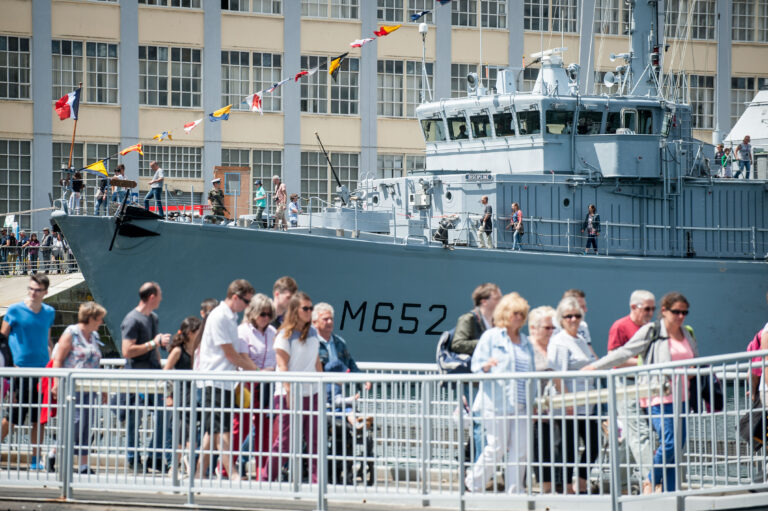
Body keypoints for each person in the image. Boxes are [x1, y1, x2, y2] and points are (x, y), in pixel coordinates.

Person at [583, 292, 698, 494]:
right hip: (658, 396)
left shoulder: (685, 332)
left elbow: (694, 358)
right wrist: (595, 366)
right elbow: (624, 352)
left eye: (684, 312)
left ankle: (671, 492)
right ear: (665, 311)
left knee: (676, 448)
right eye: (676, 312)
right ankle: (651, 479)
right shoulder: (652, 331)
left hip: (682, 397)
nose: (681, 316)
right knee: (669, 443)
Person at [464, 292, 534, 494]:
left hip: (521, 404)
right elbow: (475, 367)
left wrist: (534, 402)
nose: (519, 317)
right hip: (497, 403)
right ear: (505, 313)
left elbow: (531, 374)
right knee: (497, 447)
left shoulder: (526, 341)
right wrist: (486, 366)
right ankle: (473, 482)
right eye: (515, 313)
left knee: (520, 451)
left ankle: (515, 490)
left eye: (522, 313)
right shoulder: (491, 337)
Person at [195, 279, 260, 481]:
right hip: (214, 380)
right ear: (235, 297)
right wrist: (256, 371)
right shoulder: (221, 317)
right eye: (246, 302)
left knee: (212, 430)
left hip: (222, 380)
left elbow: (233, 354)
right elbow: (230, 354)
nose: (248, 306)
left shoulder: (229, 317)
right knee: (221, 429)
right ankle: (231, 473)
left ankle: (197, 474)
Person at [260, 292, 323, 483]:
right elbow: (283, 366)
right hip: (290, 395)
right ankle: (266, 478)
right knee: (286, 442)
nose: (310, 312)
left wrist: (323, 385)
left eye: (311, 308)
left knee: (315, 441)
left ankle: (316, 482)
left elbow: (316, 361)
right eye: (306, 308)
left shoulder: (312, 333)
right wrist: (289, 392)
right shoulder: (283, 336)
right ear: (295, 310)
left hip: (311, 392)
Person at [0, 275, 56, 470]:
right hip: (19, 372)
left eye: (37, 290)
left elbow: (48, 341)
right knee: (12, 416)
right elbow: (2, 339)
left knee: (38, 419)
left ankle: (35, 460)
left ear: (45, 292)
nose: (33, 293)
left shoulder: (49, 312)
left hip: (41, 372)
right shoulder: (15, 310)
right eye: (31, 289)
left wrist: (53, 367)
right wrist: (9, 366)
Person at [547, 296, 600, 494]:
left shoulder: (581, 340)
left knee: (594, 443)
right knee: (568, 447)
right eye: (568, 316)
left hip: (587, 403)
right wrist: (568, 401)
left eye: (577, 315)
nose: (573, 319)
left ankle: (582, 479)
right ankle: (567, 486)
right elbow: (557, 374)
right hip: (569, 404)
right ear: (561, 319)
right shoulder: (560, 341)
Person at [606, 290, 656, 489]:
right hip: (626, 385)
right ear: (633, 307)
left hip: (645, 385)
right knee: (641, 433)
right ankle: (653, 481)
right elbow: (613, 357)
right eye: (647, 308)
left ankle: (618, 483)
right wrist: (644, 362)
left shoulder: (652, 327)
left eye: (653, 308)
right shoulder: (620, 326)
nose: (651, 313)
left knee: (631, 436)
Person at [50, 301, 107, 475]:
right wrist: (56, 382)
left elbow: (96, 364)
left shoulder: (94, 337)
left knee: (85, 425)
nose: (101, 323)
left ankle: (83, 465)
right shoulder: (71, 333)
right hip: (71, 387)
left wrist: (102, 388)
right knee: (73, 423)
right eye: (99, 319)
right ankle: (53, 453)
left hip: (89, 387)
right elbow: (58, 359)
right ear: (91, 318)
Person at [120, 282, 172, 472]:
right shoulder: (132, 320)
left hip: (152, 375)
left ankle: (155, 456)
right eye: (160, 295)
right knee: (135, 418)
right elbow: (127, 351)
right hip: (136, 376)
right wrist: (153, 343)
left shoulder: (153, 318)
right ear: (152, 297)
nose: (162, 298)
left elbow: (155, 347)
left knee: (163, 414)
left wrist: (160, 371)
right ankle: (133, 458)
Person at [450, 283, 501, 462]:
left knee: (490, 424)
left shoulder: (496, 321)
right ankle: (480, 466)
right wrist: (484, 343)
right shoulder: (469, 319)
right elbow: (457, 344)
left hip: (491, 379)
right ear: (484, 301)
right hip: (473, 379)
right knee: (480, 423)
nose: (501, 301)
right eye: (497, 298)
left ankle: (476, 463)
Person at [236, 295, 277, 477]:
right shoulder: (243, 331)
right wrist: (260, 372)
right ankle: (223, 466)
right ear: (253, 313)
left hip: (268, 384)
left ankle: (264, 470)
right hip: (247, 383)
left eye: (269, 314)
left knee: (265, 428)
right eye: (262, 314)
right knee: (241, 426)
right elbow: (243, 358)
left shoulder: (272, 332)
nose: (266, 318)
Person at [163, 315, 202, 473]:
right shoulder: (178, 351)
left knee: (190, 432)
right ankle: (178, 465)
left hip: (195, 395)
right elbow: (165, 374)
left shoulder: (198, 350)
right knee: (182, 433)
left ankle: (183, 464)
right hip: (182, 395)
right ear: (191, 332)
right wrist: (167, 396)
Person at [527, 306, 559, 493]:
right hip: (531, 408)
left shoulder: (555, 346)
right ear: (533, 328)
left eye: (553, 327)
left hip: (552, 408)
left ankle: (551, 487)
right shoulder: (528, 347)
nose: (551, 331)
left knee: (552, 447)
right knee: (540, 447)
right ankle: (544, 488)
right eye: (547, 328)